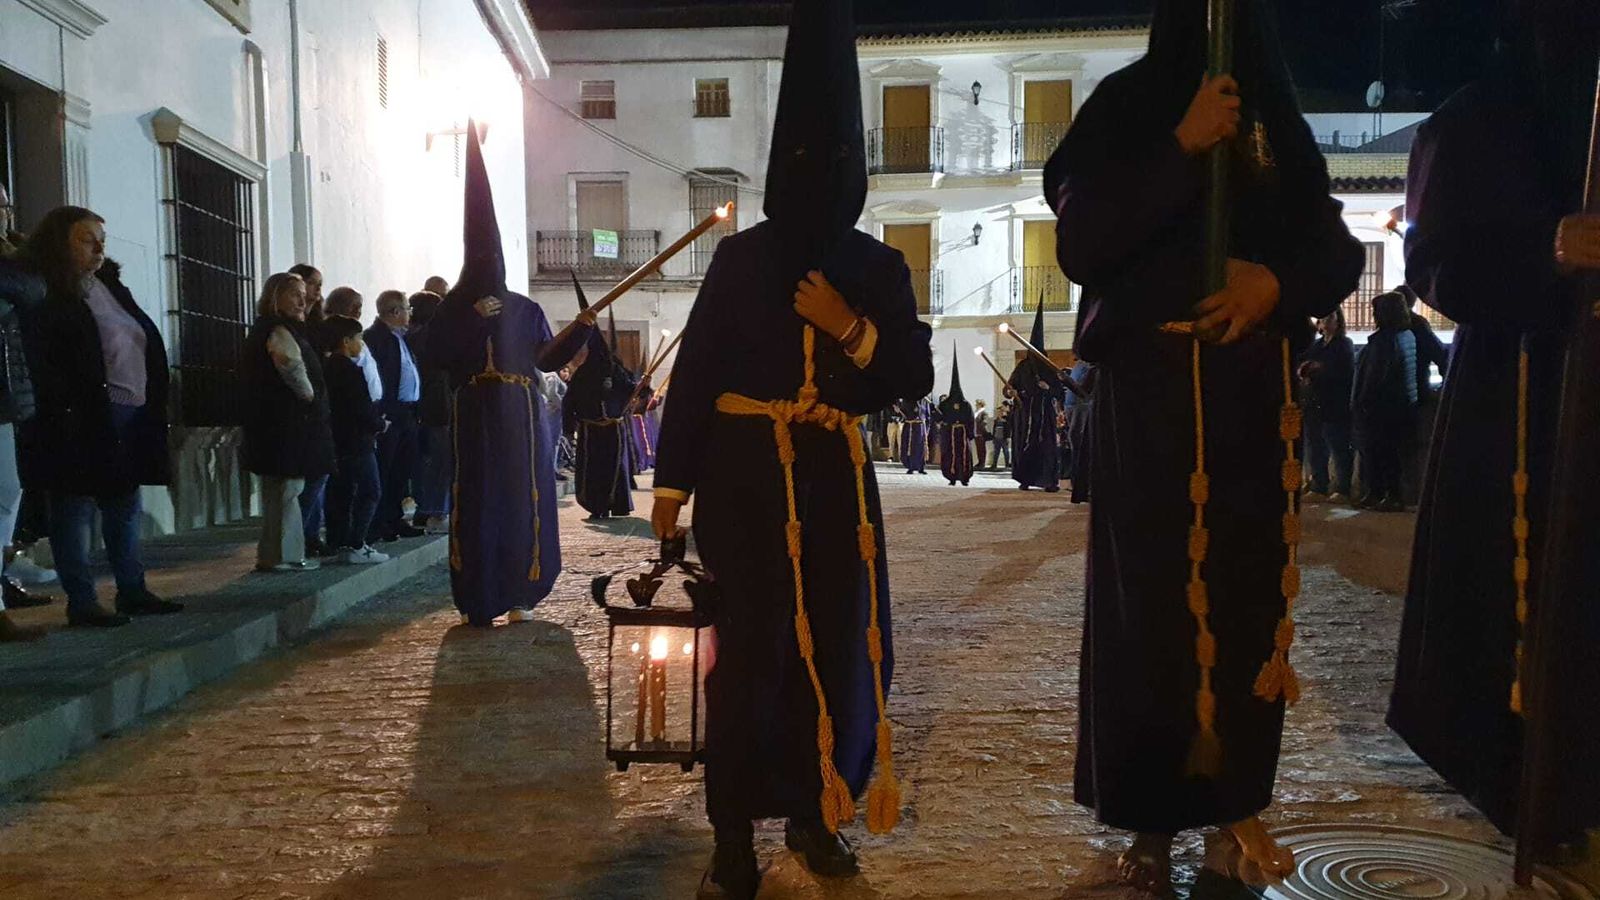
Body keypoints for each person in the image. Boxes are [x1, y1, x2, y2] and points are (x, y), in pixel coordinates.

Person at [1047, 0, 1363, 888]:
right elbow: (1083, 241)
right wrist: (1179, 147)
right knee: (1147, 614)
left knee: (1245, 605)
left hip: (1251, 408)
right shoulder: (1121, 106)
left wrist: (1277, 283)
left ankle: (1235, 807)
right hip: (1148, 408)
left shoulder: (1274, 121)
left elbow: (1335, 251)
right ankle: (1148, 824)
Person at [650, 0, 933, 893]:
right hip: (744, 487)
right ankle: (733, 834)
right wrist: (670, 495)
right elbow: (693, 378)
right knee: (747, 660)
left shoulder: (878, 268)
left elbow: (913, 375)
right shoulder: (739, 261)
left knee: (837, 654)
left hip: (834, 484)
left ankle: (817, 816)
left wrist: (850, 328)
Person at [1390, 0, 1600, 849]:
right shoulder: (1473, 121)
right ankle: (1531, 788)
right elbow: (1434, 260)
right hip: (1520, 403)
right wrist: (1549, 250)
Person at [425, 123, 587, 627]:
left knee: (523, 501)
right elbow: (435, 354)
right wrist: (472, 318)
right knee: (478, 504)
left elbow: (544, 358)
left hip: (521, 420)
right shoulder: (453, 306)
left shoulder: (524, 307)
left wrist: (580, 332)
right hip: (475, 420)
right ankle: (479, 594)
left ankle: (522, 590)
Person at [16, 207, 184, 627]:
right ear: (61, 242)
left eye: (101, 240)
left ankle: (132, 589)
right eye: (88, 240)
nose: (99, 249)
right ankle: (82, 600)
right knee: (73, 507)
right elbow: (46, 359)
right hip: (77, 415)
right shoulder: (45, 292)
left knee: (124, 503)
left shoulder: (108, 284)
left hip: (129, 414)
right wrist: (66, 407)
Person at [241, 272, 335, 572]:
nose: (302, 299)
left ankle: (273, 554)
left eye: (303, 293)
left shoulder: (270, 328)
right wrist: (310, 396)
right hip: (286, 425)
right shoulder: (279, 330)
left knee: (279, 493)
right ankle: (286, 555)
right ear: (275, 297)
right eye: (294, 293)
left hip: (274, 424)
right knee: (287, 491)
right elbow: (290, 364)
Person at [0, 199, 48, 641]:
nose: (5, 215)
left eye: (6, 206)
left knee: (8, 494)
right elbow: (28, 289)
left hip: (6, 396)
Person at [322, 316, 388, 565]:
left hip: (339, 439)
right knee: (370, 490)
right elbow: (359, 408)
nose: (361, 344)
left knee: (343, 491)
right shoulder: (349, 370)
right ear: (346, 341)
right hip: (357, 441)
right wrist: (380, 424)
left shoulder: (329, 367)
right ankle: (357, 542)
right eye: (358, 339)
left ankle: (341, 541)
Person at [564, 305, 638, 519]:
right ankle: (597, 506)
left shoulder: (616, 371)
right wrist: (569, 428)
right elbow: (570, 401)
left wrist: (639, 386)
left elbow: (630, 390)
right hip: (590, 429)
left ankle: (616, 504)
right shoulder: (582, 374)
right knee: (593, 470)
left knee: (614, 469)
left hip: (613, 427)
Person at [365, 290, 425, 543]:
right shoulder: (375, 338)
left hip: (407, 413)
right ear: (395, 312)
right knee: (386, 469)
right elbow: (378, 378)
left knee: (402, 469)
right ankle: (380, 522)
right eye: (407, 309)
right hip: (391, 413)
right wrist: (383, 413)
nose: (410, 314)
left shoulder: (401, 337)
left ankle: (395, 517)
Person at [1351, 292, 1416, 512]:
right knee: (1387, 453)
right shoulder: (1405, 336)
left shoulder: (1385, 341)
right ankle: (1381, 493)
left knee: (1381, 453)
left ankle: (1387, 494)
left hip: (1382, 408)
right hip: (1398, 406)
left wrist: (1362, 401)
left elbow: (1375, 376)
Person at [287, 264, 329, 555]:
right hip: (305, 411)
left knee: (320, 475)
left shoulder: (318, 325)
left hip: (321, 408)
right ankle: (299, 537)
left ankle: (312, 534)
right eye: (312, 285)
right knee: (310, 477)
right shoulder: (291, 329)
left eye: (317, 287)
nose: (315, 293)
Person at [406, 290, 452, 534]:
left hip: (423, 407)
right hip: (437, 407)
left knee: (427, 463)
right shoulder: (430, 337)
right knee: (439, 463)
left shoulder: (410, 337)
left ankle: (428, 509)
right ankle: (434, 510)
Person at [1298, 309, 1354, 502]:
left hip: (1334, 404)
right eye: (1322, 319)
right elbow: (1304, 362)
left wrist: (1320, 369)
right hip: (1314, 403)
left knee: (1338, 446)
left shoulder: (1343, 345)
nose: (1325, 322)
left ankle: (1343, 488)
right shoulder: (1318, 345)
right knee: (1315, 445)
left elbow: (1344, 372)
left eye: (1330, 317)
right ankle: (1318, 484)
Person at [1008, 299, 1063, 493]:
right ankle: (1025, 478)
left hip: (1044, 413)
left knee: (1047, 447)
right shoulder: (1023, 367)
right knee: (1025, 444)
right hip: (1025, 413)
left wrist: (1047, 387)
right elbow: (1009, 386)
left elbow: (1059, 390)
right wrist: (1011, 392)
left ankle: (1049, 481)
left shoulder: (1049, 367)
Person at [937, 357, 975, 486]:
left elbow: (971, 419)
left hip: (962, 434)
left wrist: (970, 434)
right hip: (950, 433)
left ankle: (964, 477)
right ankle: (951, 477)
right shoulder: (945, 404)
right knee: (950, 454)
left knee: (964, 455)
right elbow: (938, 417)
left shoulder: (966, 404)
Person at [1065, 360, 1098, 503]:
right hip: (1088, 410)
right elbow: (1083, 391)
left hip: (1091, 410)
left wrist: (1067, 381)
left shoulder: (1092, 369)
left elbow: (1084, 392)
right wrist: (1066, 381)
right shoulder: (1088, 368)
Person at [896, 397, 928, 474]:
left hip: (920, 427)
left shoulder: (924, 400)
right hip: (910, 426)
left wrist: (927, 428)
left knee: (921, 447)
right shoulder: (906, 400)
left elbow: (927, 415)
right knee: (910, 447)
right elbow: (903, 414)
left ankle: (921, 467)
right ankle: (911, 467)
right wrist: (898, 411)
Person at [991, 396, 1013, 469]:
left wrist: (1008, 437)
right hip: (997, 437)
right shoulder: (996, 420)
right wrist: (993, 437)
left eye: (1000, 411)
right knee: (996, 452)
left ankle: (1007, 464)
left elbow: (1008, 428)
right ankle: (994, 464)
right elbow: (994, 429)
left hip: (1003, 437)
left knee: (1005, 451)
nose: (999, 413)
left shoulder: (1006, 419)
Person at [973, 400, 991, 471]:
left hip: (981, 433)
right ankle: (979, 461)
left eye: (977, 404)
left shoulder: (983, 412)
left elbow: (984, 422)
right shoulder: (976, 412)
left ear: (981, 405)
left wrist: (983, 430)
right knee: (978, 448)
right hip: (976, 433)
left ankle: (982, 463)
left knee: (982, 449)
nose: (976, 405)